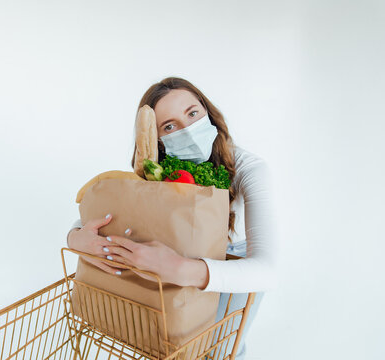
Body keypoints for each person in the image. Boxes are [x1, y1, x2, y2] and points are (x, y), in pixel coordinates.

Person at [66, 76, 279, 360]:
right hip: (169, 262)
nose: (188, 129)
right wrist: (75, 236)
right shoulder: (158, 169)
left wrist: (180, 269)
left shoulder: (249, 169)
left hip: (231, 266)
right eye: (170, 126)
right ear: (158, 140)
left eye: (192, 113)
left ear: (208, 113)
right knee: (175, 348)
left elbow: (266, 271)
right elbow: (111, 215)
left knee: (220, 350)